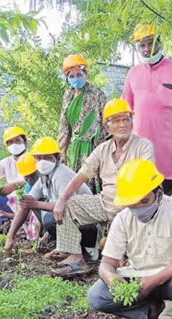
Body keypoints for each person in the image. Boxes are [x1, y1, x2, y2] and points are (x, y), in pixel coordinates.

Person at [87, 159, 172, 319]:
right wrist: (110, 277)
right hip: (139, 277)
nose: (139, 208)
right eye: (132, 204)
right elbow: (106, 264)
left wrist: (155, 280)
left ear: (158, 192)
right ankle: (147, 311)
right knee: (97, 295)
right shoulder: (123, 219)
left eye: (144, 201)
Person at [52, 99, 155, 276]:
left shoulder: (143, 146)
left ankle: (127, 261)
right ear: (107, 126)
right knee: (69, 204)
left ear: (131, 122)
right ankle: (76, 258)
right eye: (115, 121)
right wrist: (61, 199)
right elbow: (81, 176)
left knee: (124, 260)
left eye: (126, 119)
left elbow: (146, 181)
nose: (122, 125)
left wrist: (127, 207)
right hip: (105, 202)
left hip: (133, 206)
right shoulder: (103, 149)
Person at [121, 23, 172, 195]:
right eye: (142, 45)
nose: (147, 49)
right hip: (140, 155)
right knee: (143, 203)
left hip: (171, 157)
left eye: (151, 43)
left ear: (160, 42)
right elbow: (124, 113)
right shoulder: (133, 74)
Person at [4, 138, 97, 275]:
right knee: (41, 210)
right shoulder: (44, 176)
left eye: (48, 158)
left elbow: (69, 205)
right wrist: (10, 236)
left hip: (90, 224)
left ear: (57, 158)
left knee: (50, 217)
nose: (43, 162)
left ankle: (83, 252)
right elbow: (26, 204)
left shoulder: (61, 174)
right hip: (76, 222)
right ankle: (71, 250)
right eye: (39, 158)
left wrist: (35, 204)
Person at [58, 54, 108, 192]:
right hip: (76, 148)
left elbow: (106, 122)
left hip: (94, 147)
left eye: (79, 75)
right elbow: (64, 125)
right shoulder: (68, 95)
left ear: (85, 74)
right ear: (67, 78)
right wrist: (62, 151)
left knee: (94, 180)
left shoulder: (96, 93)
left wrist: (105, 149)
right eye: (72, 76)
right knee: (77, 184)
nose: (76, 79)